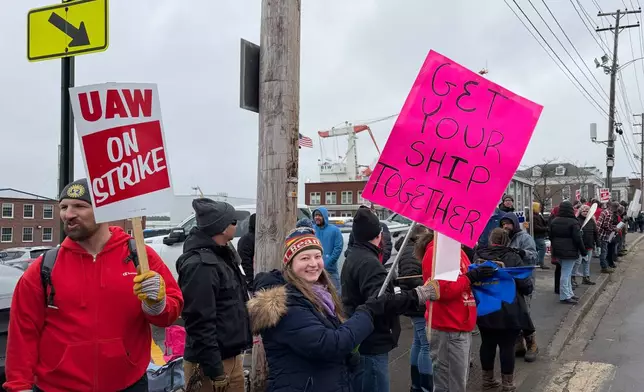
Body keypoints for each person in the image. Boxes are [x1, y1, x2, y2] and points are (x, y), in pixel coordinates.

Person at [3, 179, 183, 392]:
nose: (68, 214)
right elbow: (22, 334)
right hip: (57, 388)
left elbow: (169, 314)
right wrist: (18, 386)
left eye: (79, 206)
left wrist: (157, 305)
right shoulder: (45, 267)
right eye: (63, 207)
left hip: (128, 385)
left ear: (103, 211)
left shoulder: (141, 257)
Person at [247, 227, 392, 392]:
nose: (313, 264)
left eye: (317, 256)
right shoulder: (286, 306)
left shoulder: (318, 293)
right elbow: (329, 344)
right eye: (304, 258)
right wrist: (367, 313)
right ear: (289, 263)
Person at [177, 199, 252, 392]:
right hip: (210, 365)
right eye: (233, 221)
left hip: (232, 357)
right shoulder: (201, 266)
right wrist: (215, 370)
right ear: (221, 227)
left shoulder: (223, 257)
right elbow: (199, 322)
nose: (237, 225)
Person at [341, 207, 414, 392]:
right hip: (372, 341)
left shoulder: (354, 255)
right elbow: (382, 303)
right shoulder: (369, 262)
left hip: (362, 338)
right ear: (377, 235)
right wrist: (416, 296)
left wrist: (389, 282)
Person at [413, 230, 495, 392]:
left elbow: (462, 279)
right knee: (451, 385)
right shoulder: (437, 252)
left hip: (459, 325)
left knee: (456, 383)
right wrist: (471, 277)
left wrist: (478, 275)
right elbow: (441, 291)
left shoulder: (455, 250)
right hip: (449, 327)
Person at [474, 228, 534, 392]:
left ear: (490, 239)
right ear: (506, 241)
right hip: (509, 308)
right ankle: (507, 383)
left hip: (485, 307)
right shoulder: (512, 257)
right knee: (507, 346)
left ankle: (487, 381)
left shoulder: (478, 256)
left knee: (487, 343)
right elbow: (525, 285)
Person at [395, 225, 434, 392]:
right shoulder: (412, 252)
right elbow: (410, 278)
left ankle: (416, 385)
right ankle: (424, 386)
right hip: (417, 302)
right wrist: (429, 287)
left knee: (418, 342)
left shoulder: (406, 249)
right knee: (425, 345)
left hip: (412, 302)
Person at [499, 212, 538, 361]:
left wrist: (521, 253)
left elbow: (534, 256)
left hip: (524, 280)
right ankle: (518, 343)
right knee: (512, 314)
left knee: (524, 312)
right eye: (503, 224)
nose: (506, 226)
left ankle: (532, 344)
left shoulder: (525, 238)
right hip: (509, 282)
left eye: (508, 224)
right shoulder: (504, 238)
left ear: (514, 224)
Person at [549, 201, 587, 305]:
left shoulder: (554, 221)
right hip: (570, 251)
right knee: (566, 274)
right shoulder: (573, 222)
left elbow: (550, 236)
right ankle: (565, 295)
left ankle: (569, 293)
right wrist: (583, 251)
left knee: (566, 273)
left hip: (558, 251)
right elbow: (578, 238)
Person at [312, 207, 344, 293]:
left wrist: (326, 264)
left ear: (324, 216)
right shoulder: (312, 230)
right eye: (315, 215)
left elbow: (338, 249)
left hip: (331, 271)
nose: (317, 217)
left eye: (319, 215)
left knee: (335, 295)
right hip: (315, 271)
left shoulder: (335, 230)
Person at [576, 204, 599, 285]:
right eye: (583, 211)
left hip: (589, 245)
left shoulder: (592, 221)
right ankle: (572, 278)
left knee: (587, 262)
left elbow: (595, 233)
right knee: (577, 262)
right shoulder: (577, 220)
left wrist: (598, 244)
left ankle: (586, 277)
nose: (585, 212)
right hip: (580, 246)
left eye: (587, 211)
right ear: (580, 211)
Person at [597, 202, 619, 273]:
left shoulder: (605, 211)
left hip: (600, 234)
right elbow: (606, 226)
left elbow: (606, 224)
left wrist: (613, 227)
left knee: (603, 251)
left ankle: (605, 266)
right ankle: (604, 267)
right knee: (604, 251)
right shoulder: (609, 214)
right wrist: (614, 229)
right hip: (603, 235)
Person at [237, 213, 256, 286]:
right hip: (254, 280)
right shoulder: (247, 240)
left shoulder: (247, 239)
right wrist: (252, 282)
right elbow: (245, 262)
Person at [532, 202, 550, 270]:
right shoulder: (534, 216)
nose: (540, 208)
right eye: (539, 207)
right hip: (538, 235)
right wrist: (545, 229)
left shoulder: (538, 215)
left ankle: (537, 262)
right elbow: (535, 227)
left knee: (537, 249)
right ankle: (540, 262)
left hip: (539, 235)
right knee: (542, 248)